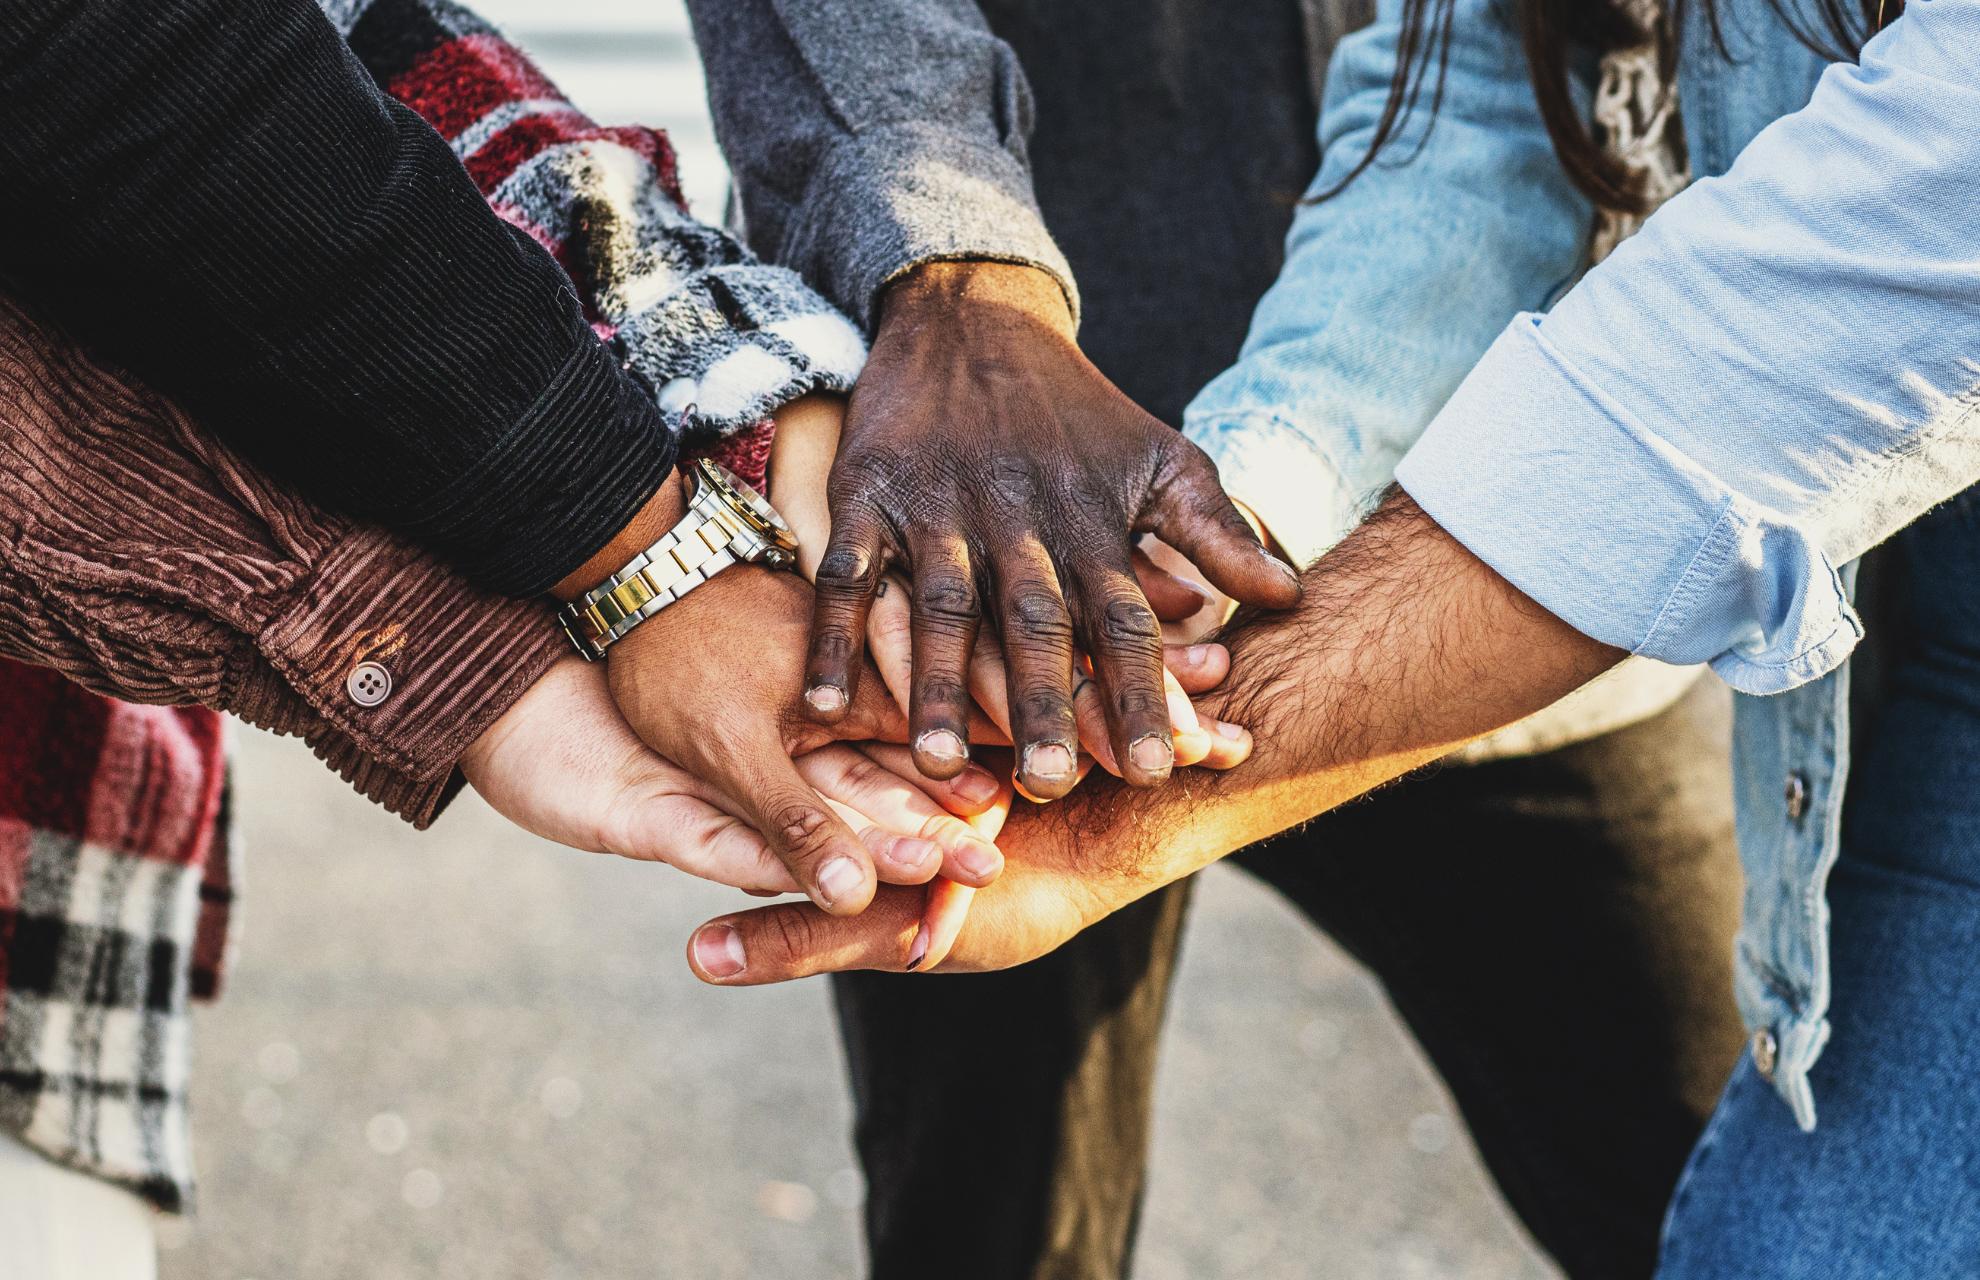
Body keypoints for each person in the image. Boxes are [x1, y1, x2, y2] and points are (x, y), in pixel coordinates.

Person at [700, 0, 1980, 1273]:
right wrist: (1229, 492)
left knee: (1706, 1195)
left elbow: (1869, 258)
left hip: (1540, 545)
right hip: (1004, 535)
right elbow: (1479, 102)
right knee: (994, 1225)